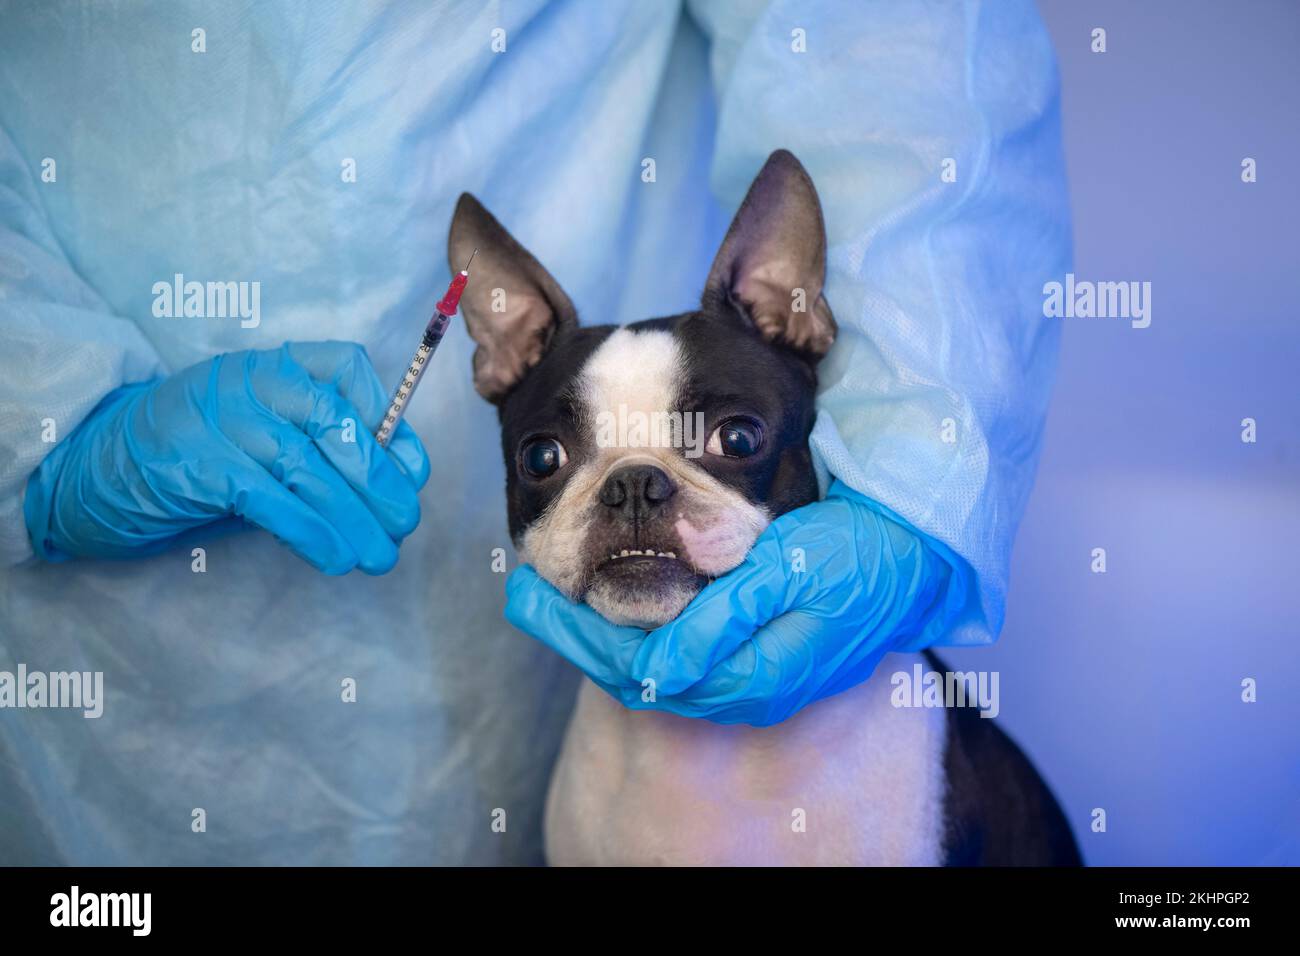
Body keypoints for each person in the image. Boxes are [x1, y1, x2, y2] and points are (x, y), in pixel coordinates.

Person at [0, 1, 1070, 864]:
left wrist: (909, 489)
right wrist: (42, 419)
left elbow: (893, 55)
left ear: (798, 314)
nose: (638, 492)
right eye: (554, 459)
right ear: (494, 361)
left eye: (730, 439)